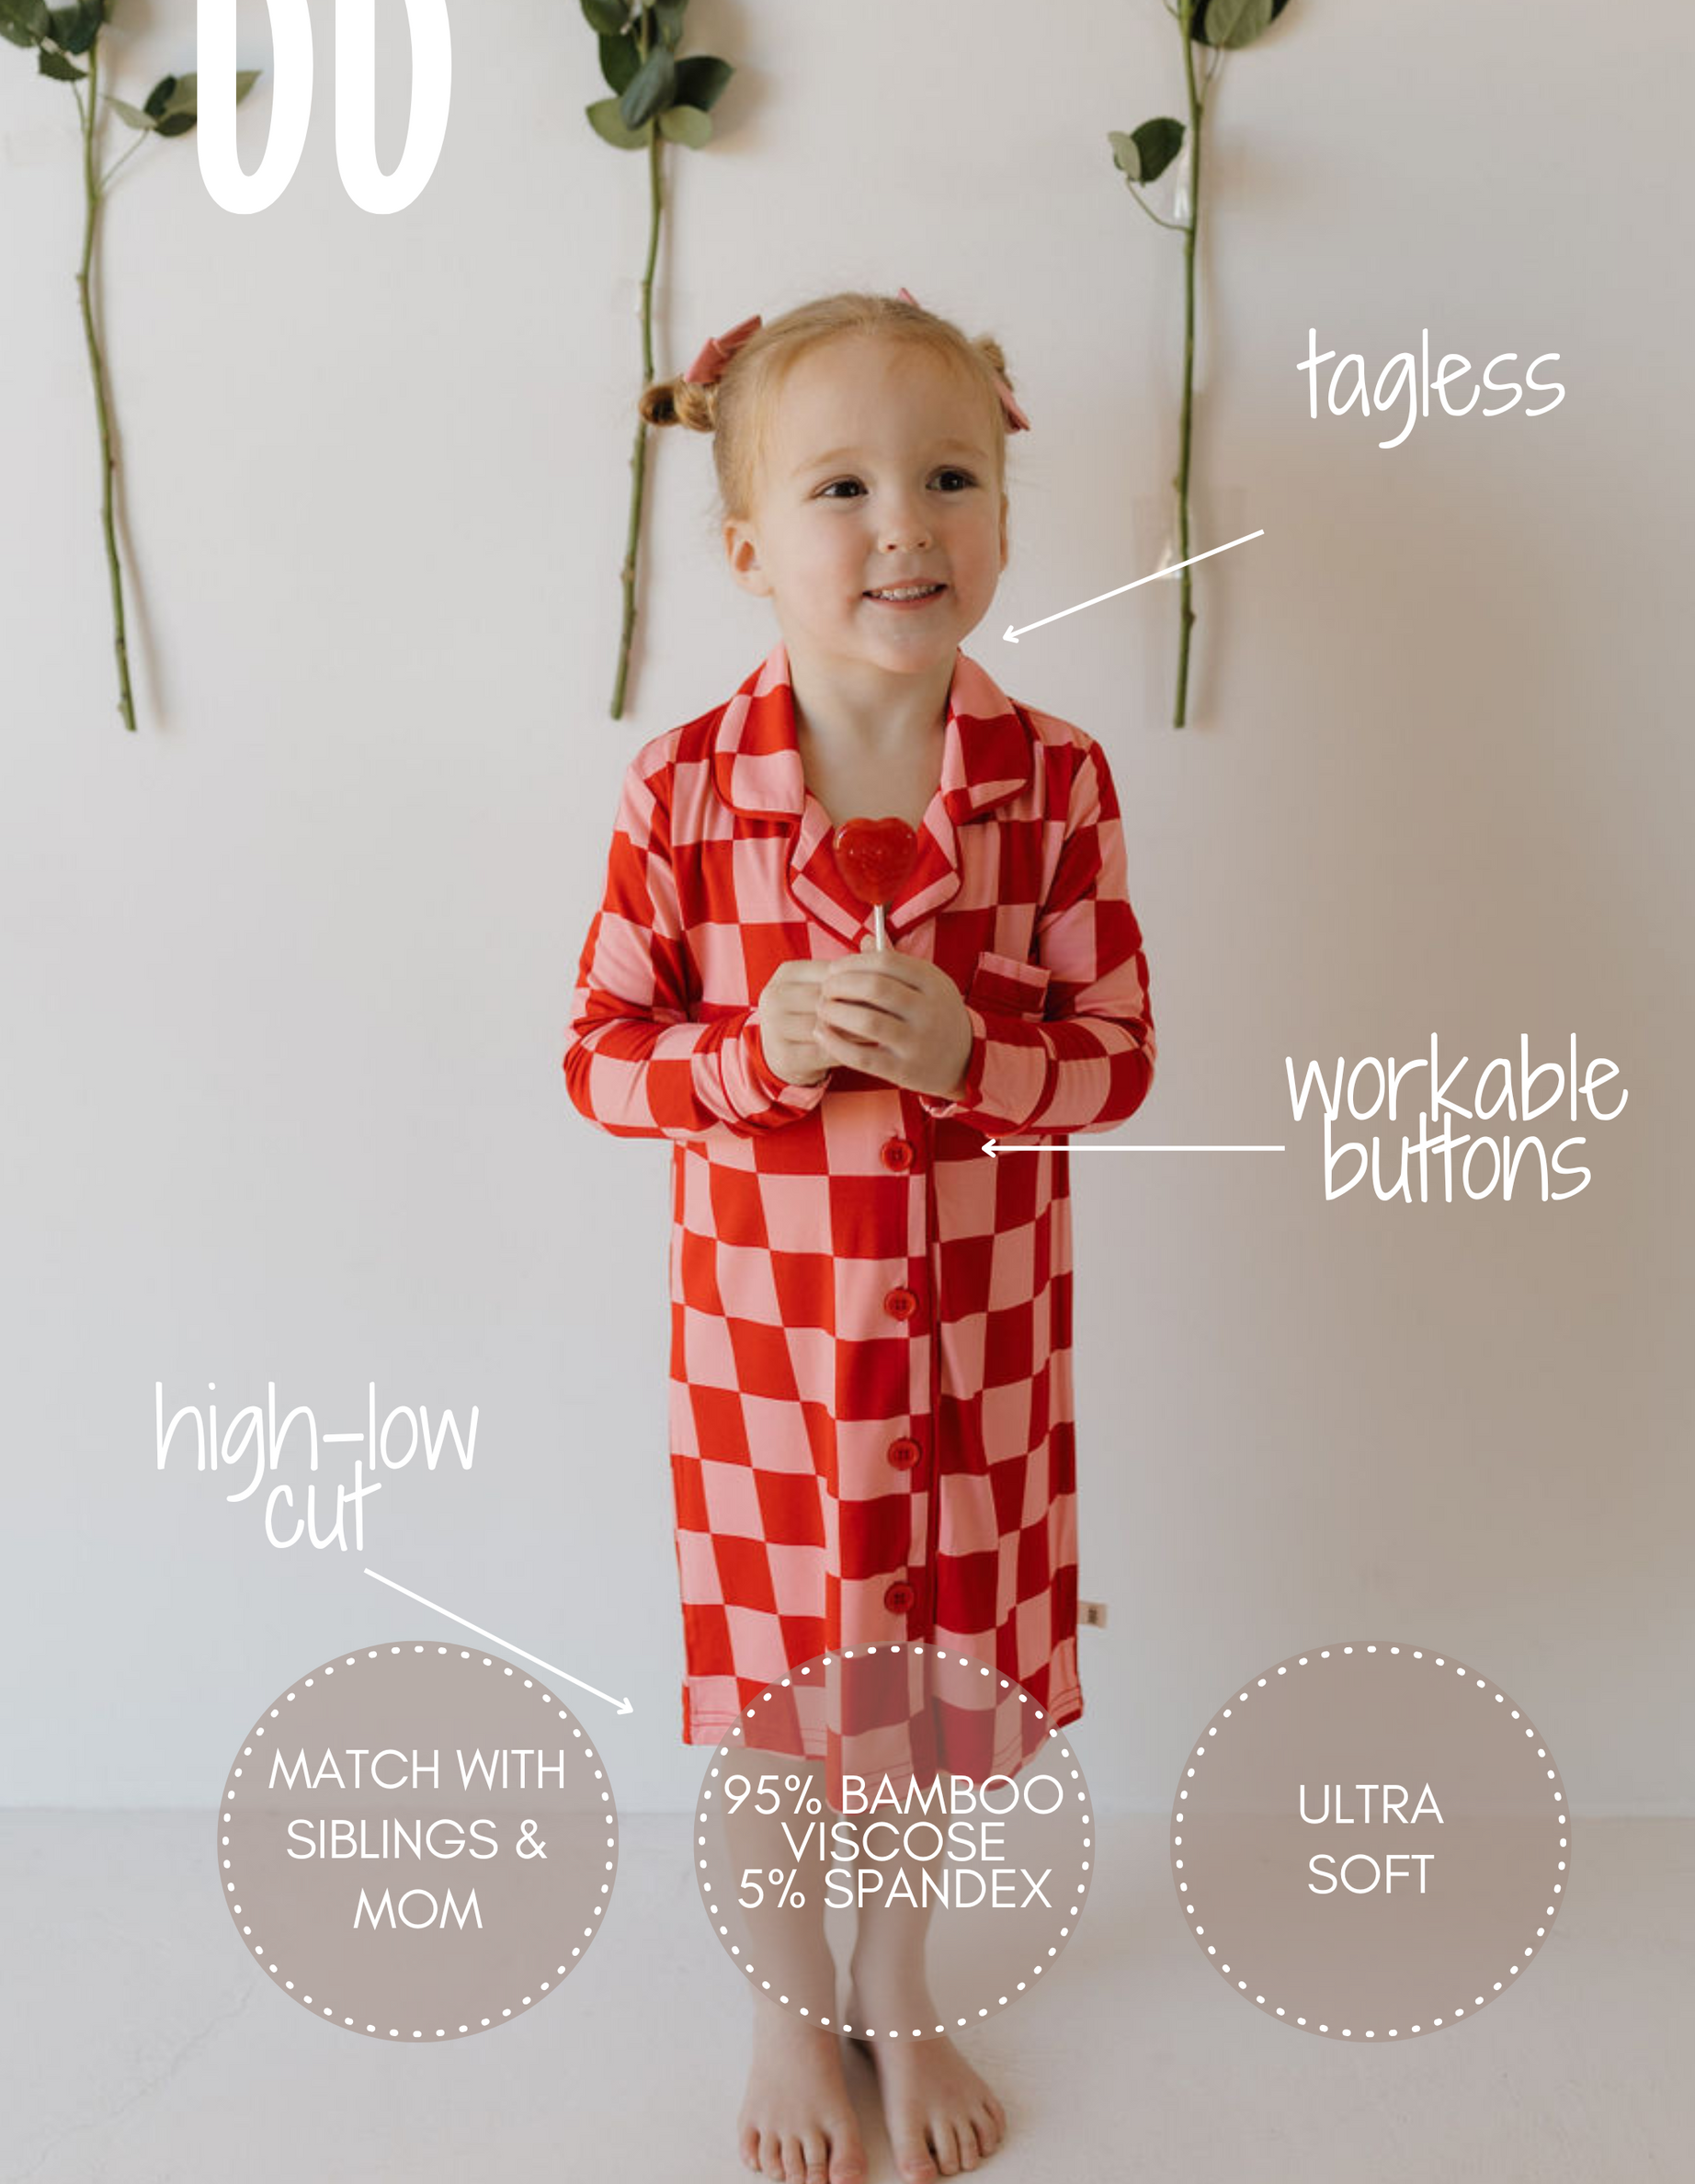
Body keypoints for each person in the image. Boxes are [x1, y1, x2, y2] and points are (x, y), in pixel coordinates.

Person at [563, 290, 1156, 2183]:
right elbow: (597, 1058)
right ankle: (778, 2005)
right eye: (840, 486)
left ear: (1001, 514)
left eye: (948, 474)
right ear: (749, 549)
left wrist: (979, 1052)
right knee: (777, 1712)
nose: (903, 522)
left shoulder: (1053, 783)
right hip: (771, 1370)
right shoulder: (682, 791)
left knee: (931, 1708)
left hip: (982, 1353)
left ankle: (896, 1979)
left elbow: (1120, 1060)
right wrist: (750, 1054)